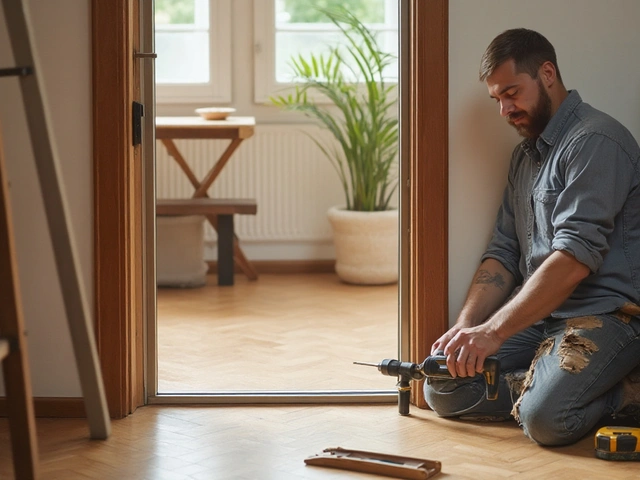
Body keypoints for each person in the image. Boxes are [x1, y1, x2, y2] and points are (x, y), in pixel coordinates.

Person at [424, 28, 640, 446]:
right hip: (539, 317)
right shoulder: (524, 157)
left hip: (609, 316)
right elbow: (502, 254)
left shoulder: (596, 141)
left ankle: (611, 389)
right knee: (442, 383)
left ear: (547, 73)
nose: (505, 109)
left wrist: (494, 333)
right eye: (497, 100)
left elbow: (574, 258)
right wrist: (467, 328)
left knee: (547, 420)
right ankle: (546, 382)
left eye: (512, 93)